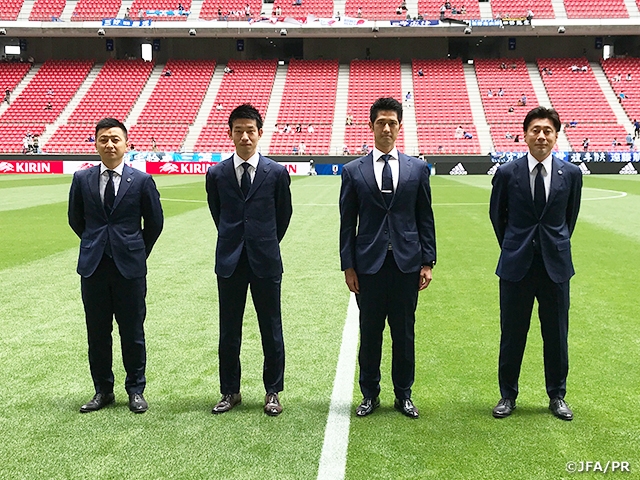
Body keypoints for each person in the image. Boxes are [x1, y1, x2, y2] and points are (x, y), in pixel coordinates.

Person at [339, 97, 436, 419]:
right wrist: (348, 265)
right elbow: (347, 222)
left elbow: (425, 217)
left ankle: (403, 394)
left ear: (400, 127)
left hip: (406, 264)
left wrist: (428, 262)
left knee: (404, 332)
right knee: (370, 333)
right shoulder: (353, 171)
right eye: (380, 122)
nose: (386, 128)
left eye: (392, 122)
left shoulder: (417, 169)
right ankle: (369, 394)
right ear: (370, 126)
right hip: (368, 265)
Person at [490, 106, 581, 422]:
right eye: (536, 130)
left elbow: (569, 219)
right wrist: (515, 246)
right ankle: (507, 395)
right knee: (512, 333)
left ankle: (557, 396)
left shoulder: (570, 174)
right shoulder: (506, 173)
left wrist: (551, 245)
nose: (541, 136)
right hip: (516, 266)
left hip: (555, 266)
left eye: (548, 130)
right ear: (525, 134)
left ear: (556, 136)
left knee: (556, 334)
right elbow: (497, 217)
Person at [68, 118, 164, 414]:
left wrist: (135, 250)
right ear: (95, 143)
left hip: (130, 268)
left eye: (115, 139)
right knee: (97, 332)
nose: (109, 144)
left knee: (132, 331)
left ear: (126, 144)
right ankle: (103, 390)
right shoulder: (82, 179)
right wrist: (96, 244)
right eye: (103, 139)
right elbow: (76, 220)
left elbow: (155, 223)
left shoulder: (142, 181)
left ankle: (136, 390)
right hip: (94, 267)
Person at [205, 104, 293, 417]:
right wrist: (236, 241)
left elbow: (283, 216)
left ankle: (273, 391)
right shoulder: (216, 173)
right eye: (239, 130)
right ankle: (230, 391)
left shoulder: (276, 172)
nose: (245, 136)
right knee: (229, 330)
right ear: (230, 133)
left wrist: (264, 242)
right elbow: (218, 213)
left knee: (271, 327)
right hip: (229, 262)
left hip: (266, 260)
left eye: (250, 130)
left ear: (259, 133)